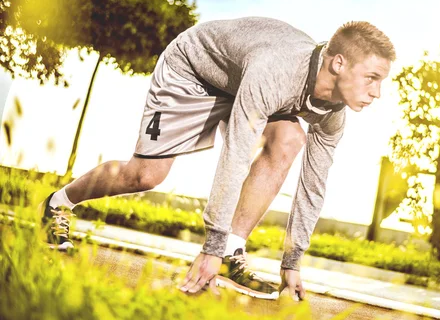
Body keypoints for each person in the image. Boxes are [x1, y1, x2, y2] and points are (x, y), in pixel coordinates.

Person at [40, 16, 395, 300]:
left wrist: (292, 261)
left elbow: (314, 184)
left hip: (242, 80)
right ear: (338, 64)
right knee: (145, 176)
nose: (377, 92)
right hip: (194, 70)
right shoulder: (277, 72)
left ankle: (231, 252)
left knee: (289, 139)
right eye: (372, 78)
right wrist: (209, 245)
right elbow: (236, 154)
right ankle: (58, 203)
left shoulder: (333, 113)